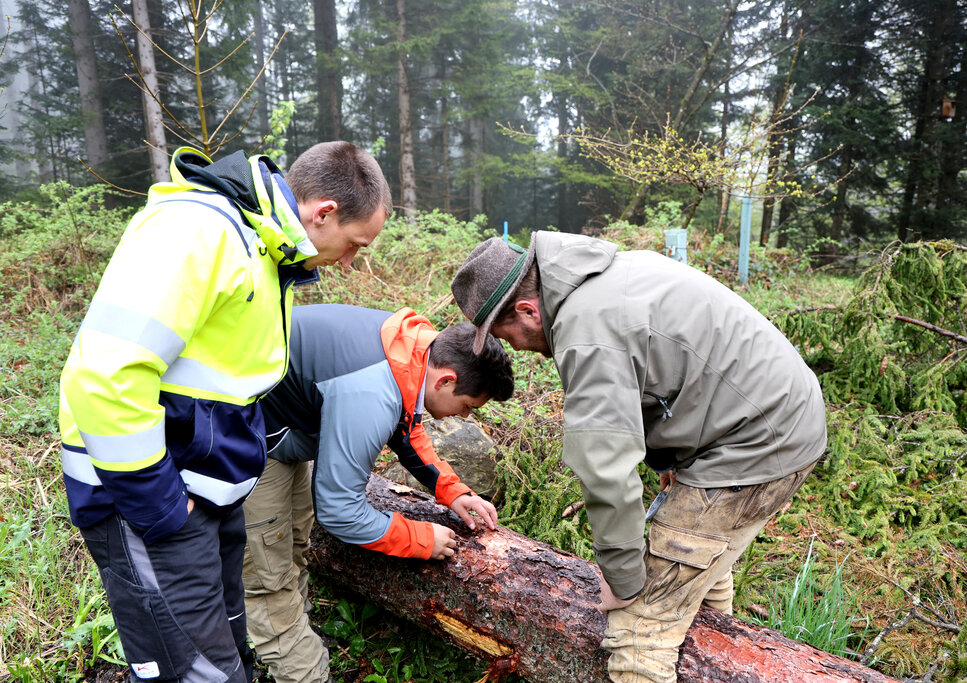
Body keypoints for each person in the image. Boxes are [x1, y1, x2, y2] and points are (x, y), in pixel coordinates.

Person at [59, 142, 392, 683]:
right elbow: (107, 375)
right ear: (324, 212)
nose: (351, 263)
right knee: (193, 669)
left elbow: (225, 383)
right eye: (355, 245)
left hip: (208, 489)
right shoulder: (200, 232)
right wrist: (160, 508)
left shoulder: (264, 251)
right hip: (147, 499)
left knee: (230, 648)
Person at [449, 231, 827, 683]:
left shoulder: (586, 330)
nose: (509, 345)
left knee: (639, 630)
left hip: (755, 440)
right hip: (772, 417)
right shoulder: (605, 273)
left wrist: (625, 580)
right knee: (699, 571)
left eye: (502, 332)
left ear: (528, 311)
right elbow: (657, 375)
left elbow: (604, 468)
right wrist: (667, 460)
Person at [241, 304, 514, 683]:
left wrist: (452, 491)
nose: (464, 417)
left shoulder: (412, 349)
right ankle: (302, 670)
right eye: (467, 406)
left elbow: (407, 426)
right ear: (446, 381)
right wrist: (420, 539)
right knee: (268, 580)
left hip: (283, 427)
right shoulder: (371, 391)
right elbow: (338, 511)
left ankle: (296, 628)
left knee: (293, 545)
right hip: (244, 441)